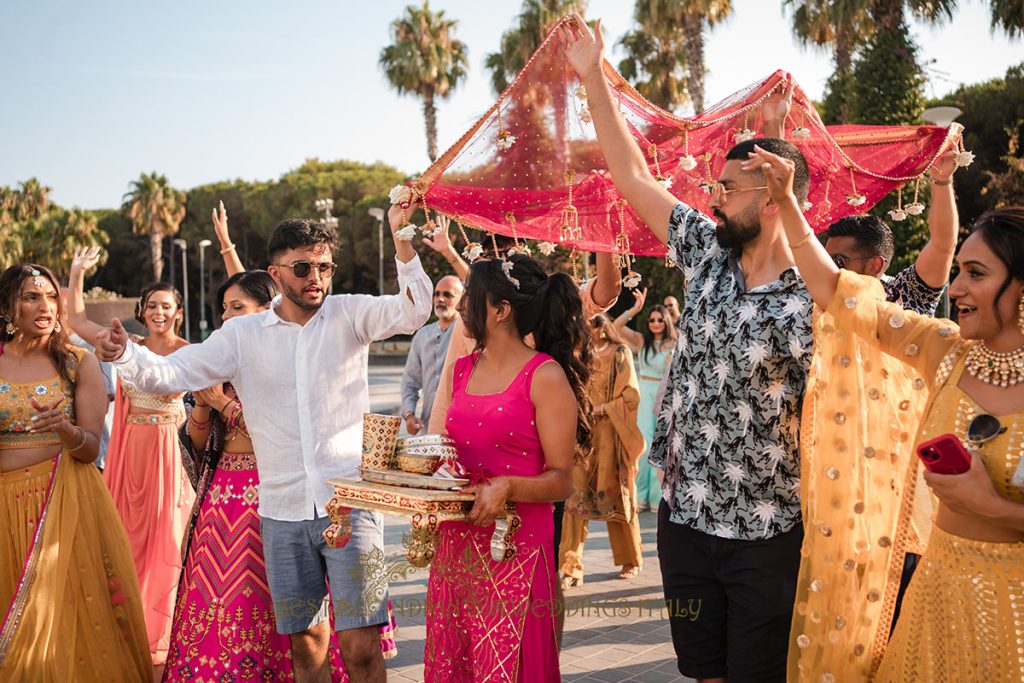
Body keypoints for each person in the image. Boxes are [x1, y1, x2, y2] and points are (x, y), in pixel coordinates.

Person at [563, 13, 813, 681]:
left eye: (727, 189)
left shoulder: (810, 299)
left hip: (767, 536)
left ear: (771, 200)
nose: (713, 196)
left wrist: (781, 146)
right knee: (704, 673)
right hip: (684, 524)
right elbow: (634, 175)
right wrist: (592, 77)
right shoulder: (706, 254)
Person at [94, 207, 432, 683]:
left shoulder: (350, 313)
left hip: (353, 508)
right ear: (276, 274)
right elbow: (171, 372)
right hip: (282, 516)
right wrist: (125, 352)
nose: (316, 278)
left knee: (362, 646)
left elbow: (416, 309)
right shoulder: (241, 335)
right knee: (306, 645)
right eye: (303, 268)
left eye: (324, 267)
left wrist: (401, 238)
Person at [750, 147, 1024, 681]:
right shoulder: (946, 349)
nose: (959, 289)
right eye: (960, 272)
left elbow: (938, 245)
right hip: (935, 600)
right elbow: (836, 293)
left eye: (976, 273)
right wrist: (786, 203)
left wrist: (990, 507)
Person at [425, 253, 591, 682]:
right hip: (455, 546)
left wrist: (507, 487)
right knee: (454, 665)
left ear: (500, 310)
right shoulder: (460, 370)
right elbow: (450, 451)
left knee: (508, 667)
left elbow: (561, 480)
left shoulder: (545, 376)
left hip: (513, 548)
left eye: (470, 299)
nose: (462, 307)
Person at [0, 263, 151, 681]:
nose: (45, 306)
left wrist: (64, 429)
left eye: (51, 296)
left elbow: (88, 449)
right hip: (4, 509)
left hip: (63, 503)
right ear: (8, 307)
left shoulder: (76, 362)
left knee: (63, 621)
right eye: (31, 297)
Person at [67, 248, 194, 671]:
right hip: (127, 454)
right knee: (126, 538)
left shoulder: (189, 350)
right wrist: (76, 273)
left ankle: (164, 631)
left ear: (177, 312)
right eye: (152, 305)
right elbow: (77, 323)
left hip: (168, 455)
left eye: (166, 306)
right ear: (141, 310)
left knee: (165, 539)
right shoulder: (128, 344)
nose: (159, 312)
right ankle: (128, 626)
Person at [560, 314, 645, 587]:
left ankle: (631, 559)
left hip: (611, 434)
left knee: (617, 497)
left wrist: (602, 409)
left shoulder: (620, 353)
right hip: (582, 436)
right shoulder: (577, 354)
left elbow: (631, 395)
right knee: (575, 498)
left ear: (598, 325)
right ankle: (571, 567)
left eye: (586, 324)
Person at [823, 151, 959, 316]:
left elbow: (943, 244)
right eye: (823, 259)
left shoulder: (907, 293)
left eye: (838, 261)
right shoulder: (816, 299)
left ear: (875, 265)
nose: (826, 268)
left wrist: (942, 180)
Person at [614, 291, 676, 512]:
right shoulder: (642, 341)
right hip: (644, 393)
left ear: (667, 321)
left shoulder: (674, 342)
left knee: (664, 446)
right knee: (644, 445)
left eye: (660, 319)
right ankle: (639, 496)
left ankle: (658, 497)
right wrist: (635, 309)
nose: (656, 323)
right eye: (651, 320)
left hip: (665, 396)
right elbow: (616, 327)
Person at [400, 274, 463, 435]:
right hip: (430, 429)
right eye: (437, 294)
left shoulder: (467, 334)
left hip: (462, 427)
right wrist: (409, 414)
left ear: (462, 300)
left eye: (447, 295)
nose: (440, 299)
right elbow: (410, 381)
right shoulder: (423, 335)